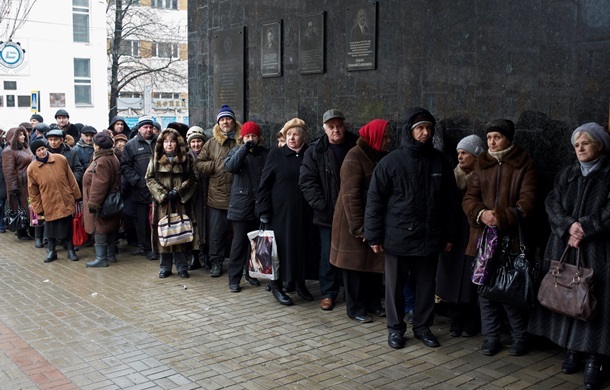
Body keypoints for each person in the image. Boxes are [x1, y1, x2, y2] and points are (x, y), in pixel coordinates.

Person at [365, 107, 457, 350]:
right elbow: (375, 200)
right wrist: (373, 235)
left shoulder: (440, 162)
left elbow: (450, 203)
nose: (425, 133)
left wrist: (449, 234)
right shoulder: (390, 162)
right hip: (397, 237)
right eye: (420, 128)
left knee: (427, 286)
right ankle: (395, 329)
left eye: (428, 128)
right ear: (410, 131)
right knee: (394, 287)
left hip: (429, 237)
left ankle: (422, 327)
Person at [528, 122, 610, 390]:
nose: (580, 148)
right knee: (567, 297)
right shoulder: (567, 174)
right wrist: (568, 226)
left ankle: (593, 359)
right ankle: (571, 350)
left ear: (600, 145)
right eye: (576, 145)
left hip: (598, 250)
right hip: (565, 245)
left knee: (594, 302)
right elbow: (552, 202)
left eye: (586, 143)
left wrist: (585, 227)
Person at [462, 119, 536, 357]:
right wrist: (482, 214)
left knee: (509, 291)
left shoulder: (524, 163)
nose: (492, 142)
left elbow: (528, 202)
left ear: (508, 138)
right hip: (484, 239)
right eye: (489, 137)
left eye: (497, 137)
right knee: (484, 291)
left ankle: (520, 338)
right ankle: (491, 338)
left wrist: (501, 218)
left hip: (511, 239)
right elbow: (469, 198)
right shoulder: (481, 164)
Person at [330, 119, 392, 324]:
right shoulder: (354, 157)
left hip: (373, 220)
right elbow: (351, 195)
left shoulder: (379, 156)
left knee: (373, 265)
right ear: (375, 137)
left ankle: (373, 303)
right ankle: (355, 307)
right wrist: (359, 228)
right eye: (385, 137)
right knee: (355, 267)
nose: (389, 141)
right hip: (353, 223)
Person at [300, 109, 358, 311]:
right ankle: (328, 293)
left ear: (345, 125)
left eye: (339, 125)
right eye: (331, 127)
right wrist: (323, 206)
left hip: (353, 212)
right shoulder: (316, 150)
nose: (336, 130)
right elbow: (307, 182)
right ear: (324, 129)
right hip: (328, 214)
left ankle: (356, 296)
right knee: (328, 254)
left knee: (355, 254)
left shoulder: (356, 145)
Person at [257, 118, 317, 306]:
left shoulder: (310, 155)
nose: (291, 138)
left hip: (305, 213)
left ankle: (300, 283)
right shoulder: (276, 154)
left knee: (302, 248)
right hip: (280, 214)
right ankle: (277, 286)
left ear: (304, 137)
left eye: (295, 134)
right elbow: (264, 186)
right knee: (279, 250)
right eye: (288, 134)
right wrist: (263, 210)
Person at [436, 134, 486, 338]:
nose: (460, 157)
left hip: (474, 235)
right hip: (454, 235)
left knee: (470, 281)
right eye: (459, 153)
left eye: (465, 153)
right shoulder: (453, 176)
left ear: (476, 155)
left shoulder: (483, 177)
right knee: (452, 279)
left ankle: (470, 321)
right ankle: (455, 320)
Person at [195, 105, 241, 277]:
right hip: (217, 196)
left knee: (239, 234)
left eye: (228, 118)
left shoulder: (241, 140)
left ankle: (242, 264)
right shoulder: (211, 143)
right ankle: (216, 262)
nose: (225, 122)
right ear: (218, 123)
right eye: (222, 120)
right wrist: (214, 166)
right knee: (216, 233)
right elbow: (199, 163)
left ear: (234, 121)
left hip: (238, 195)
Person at [146, 128, 197, 278]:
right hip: (162, 204)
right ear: (162, 144)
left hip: (180, 203)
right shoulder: (155, 158)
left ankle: (182, 267)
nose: (169, 145)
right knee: (164, 233)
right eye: (166, 141)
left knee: (179, 232)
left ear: (177, 143)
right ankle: (165, 267)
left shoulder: (186, 158)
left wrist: (179, 191)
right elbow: (149, 178)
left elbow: (193, 179)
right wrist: (162, 194)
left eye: (172, 141)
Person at [224, 121, 269, 292]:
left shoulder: (265, 154)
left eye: (253, 136)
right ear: (242, 138)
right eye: (247, 136)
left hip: (258, 205)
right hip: (241, 205)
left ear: (259, 137)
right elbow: (230, 167)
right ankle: (234, 279)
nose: (251, 139)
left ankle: (251, 273)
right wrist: (244, 148)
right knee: (239, 243)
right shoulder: (236, 151)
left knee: (255, 244)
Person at [27, 139, 81, 262]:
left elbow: (71, 179)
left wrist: (77, 196)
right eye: (38, 150)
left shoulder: (60, 159)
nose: (42, 152)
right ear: (35, 153)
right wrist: (38, 208)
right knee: (50, 228)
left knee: (68, 227)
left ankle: (70, 250)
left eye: (42, 149)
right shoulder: (32, 169)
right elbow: (33, 191)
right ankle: (52, 251)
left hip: (65, 199)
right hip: (48, 201)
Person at [120, 115, 158, 260]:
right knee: (142, 222)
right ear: (139, 129)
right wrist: (138, 182)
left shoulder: (159, 142)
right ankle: (146, 247)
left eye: (150, 127)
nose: (148, 130)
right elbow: (125, 166)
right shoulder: (131, 145)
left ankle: (158, 247)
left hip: (158, 190)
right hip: (140, 191)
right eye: (145, 127)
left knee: (157, 220)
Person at [82, 132, 122, 267]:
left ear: (97, 146)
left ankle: (101, 258)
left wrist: (93, 204)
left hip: (103, 202)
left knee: (100, 229)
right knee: (110, 228)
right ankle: (111, 256)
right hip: (111, 201)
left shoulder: (102, 160)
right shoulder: (112, 156)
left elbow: (100, 184)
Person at [2, 126, 34, 240]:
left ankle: (31, 228)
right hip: (20, 186)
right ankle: (21, 231)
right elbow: (9, 171)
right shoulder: (8, 151)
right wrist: (13, 189)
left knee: (30, 208)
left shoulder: (25, 148)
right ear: (13, 137)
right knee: (20, 208)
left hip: (29, 184)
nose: (23, 137)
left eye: (23, 134)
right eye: (20, 135)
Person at [185, 126, 210, 271]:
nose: (196, 145)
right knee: (194, 227)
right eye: (193, 142)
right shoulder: (186, 158)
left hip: (207, 195)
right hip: (192, 198)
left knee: (207, 226)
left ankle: (206, 255)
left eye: (198, 141)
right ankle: (195, 256)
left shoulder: (208, 155)